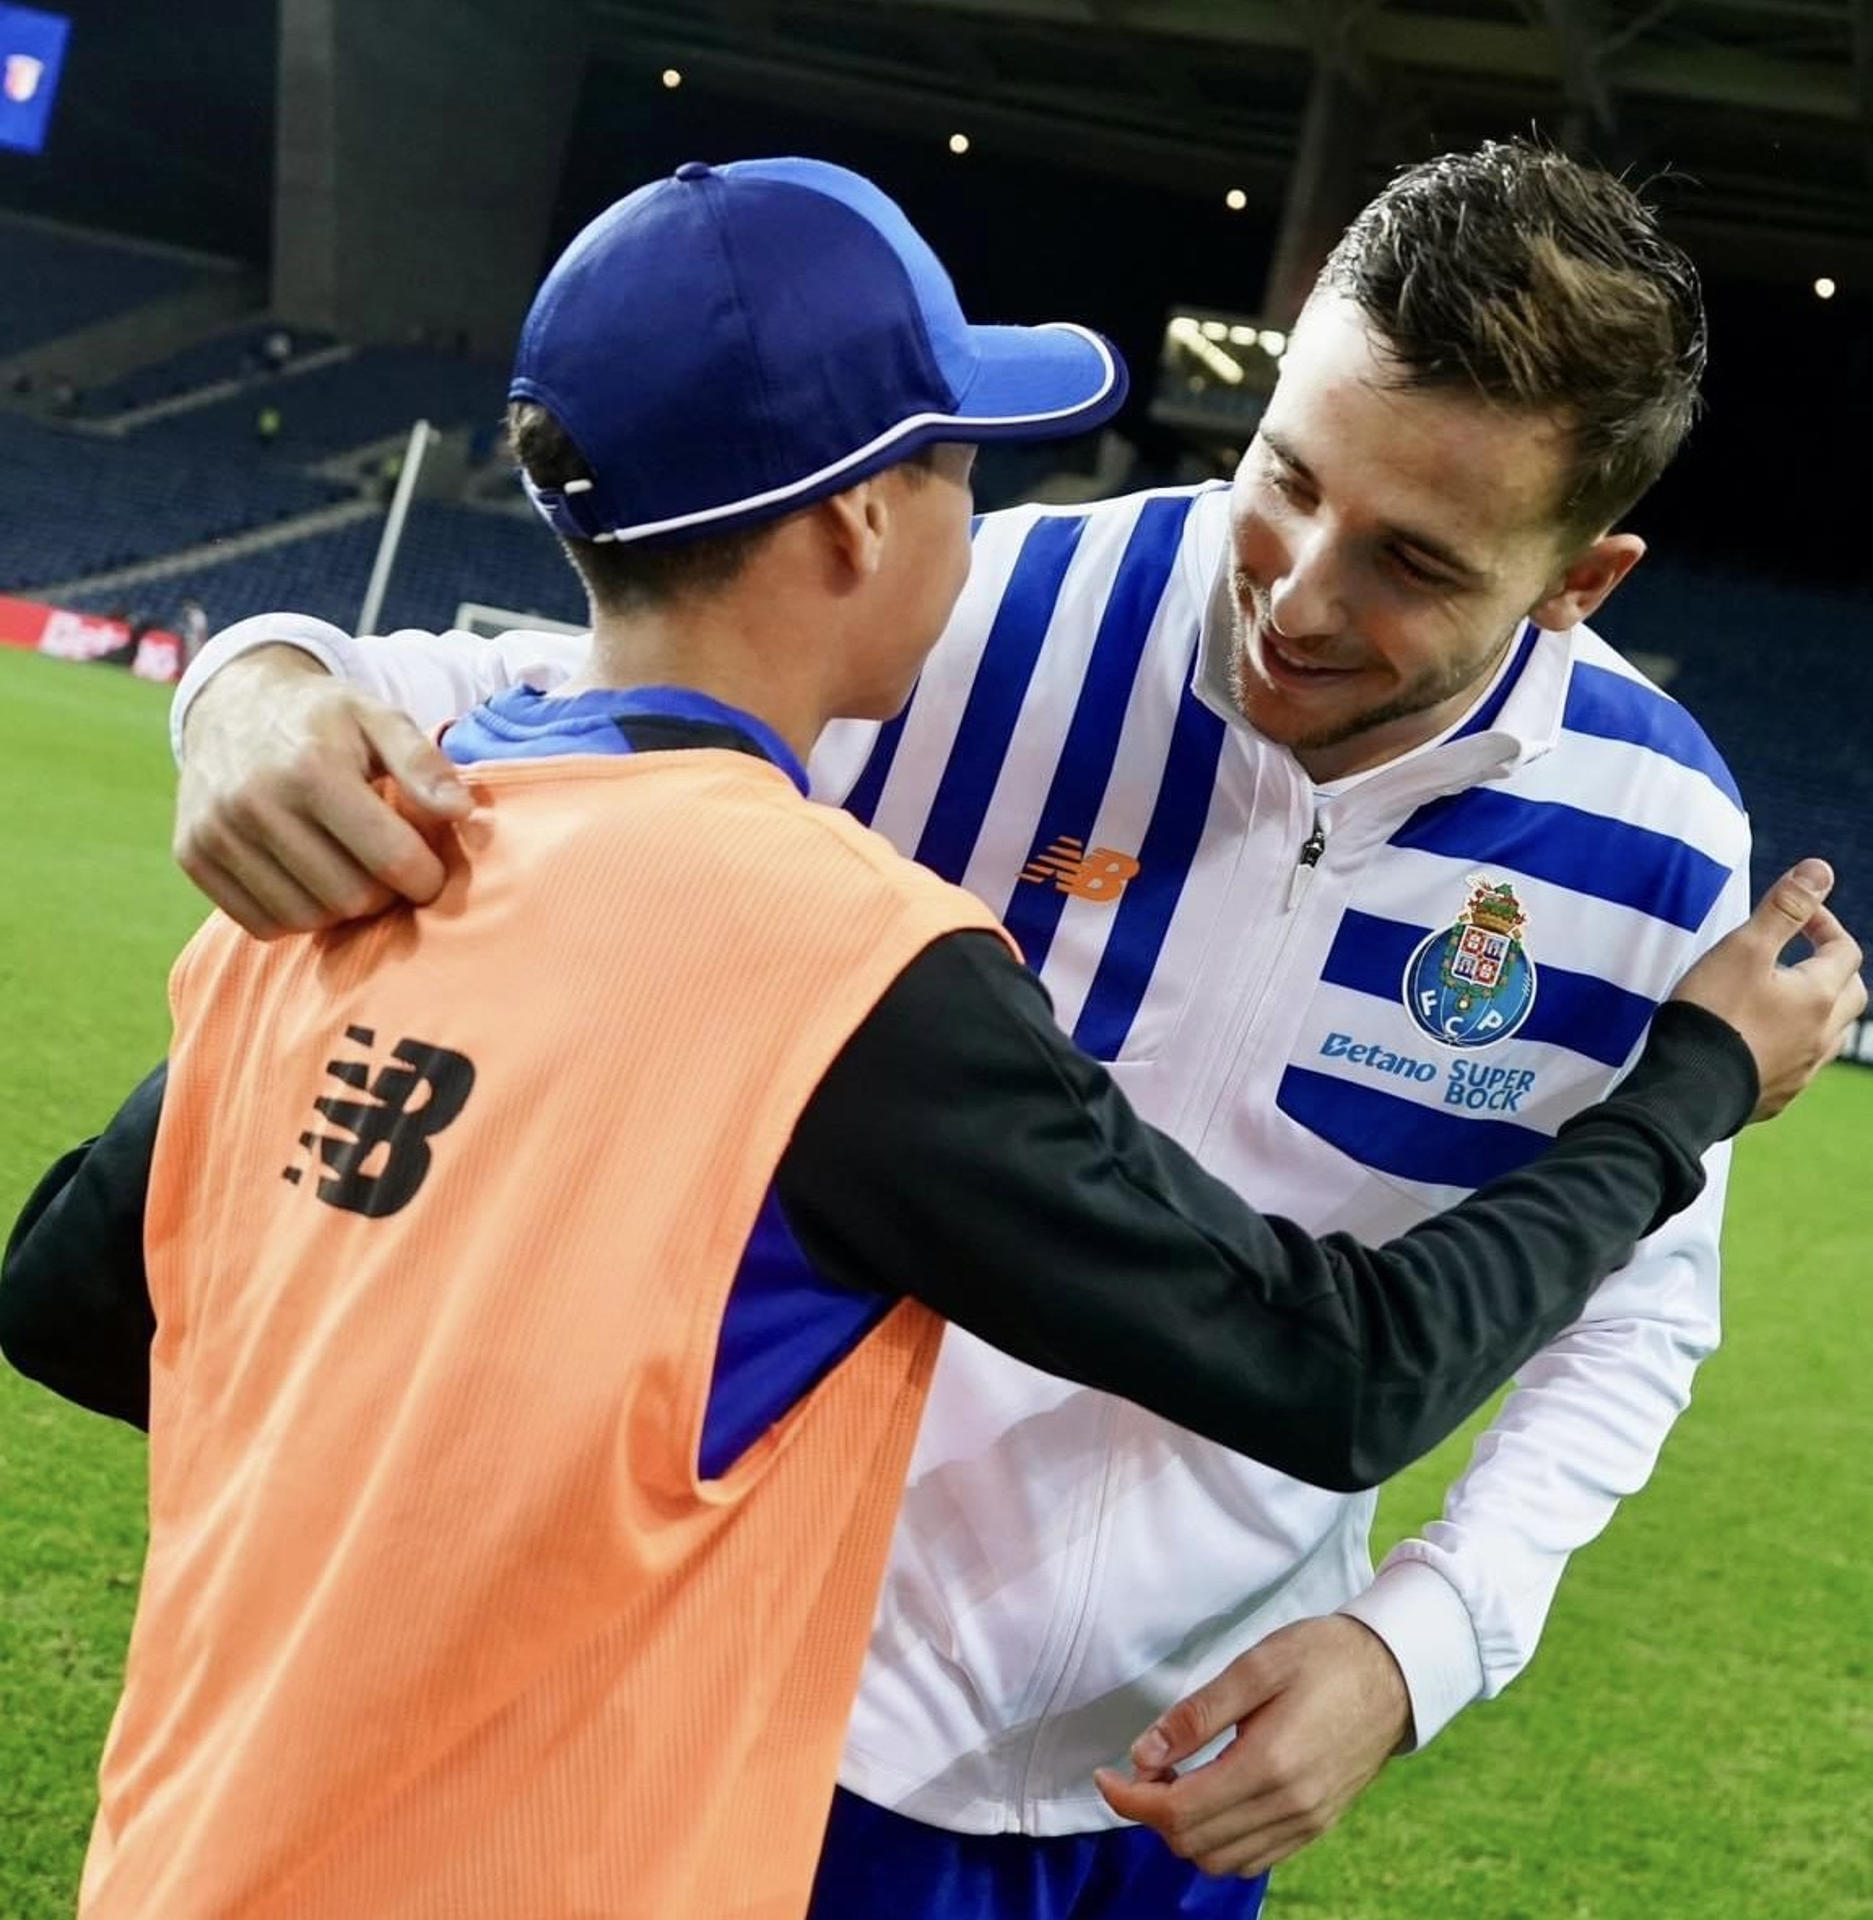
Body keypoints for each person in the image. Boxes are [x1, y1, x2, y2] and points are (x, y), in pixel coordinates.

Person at [7, 155, 1852, 1920]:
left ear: (1578, 581)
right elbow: (544, 703)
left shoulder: (1657, 839)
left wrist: (1421, 1638)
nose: (1294, 592)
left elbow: (1633, 1301)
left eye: (1415, 563)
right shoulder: (973, 612)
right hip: (779, 1695)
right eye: (1280, 478)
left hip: (1183, 1767)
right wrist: (256, 678)